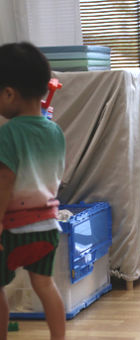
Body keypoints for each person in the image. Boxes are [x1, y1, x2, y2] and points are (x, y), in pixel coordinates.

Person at [0, 42, 66, 339]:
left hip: (13, 229)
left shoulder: (8, 133)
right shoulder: (55, 131)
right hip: (48, 227)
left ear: (9, 93)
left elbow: (5, 181)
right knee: (45, 286)